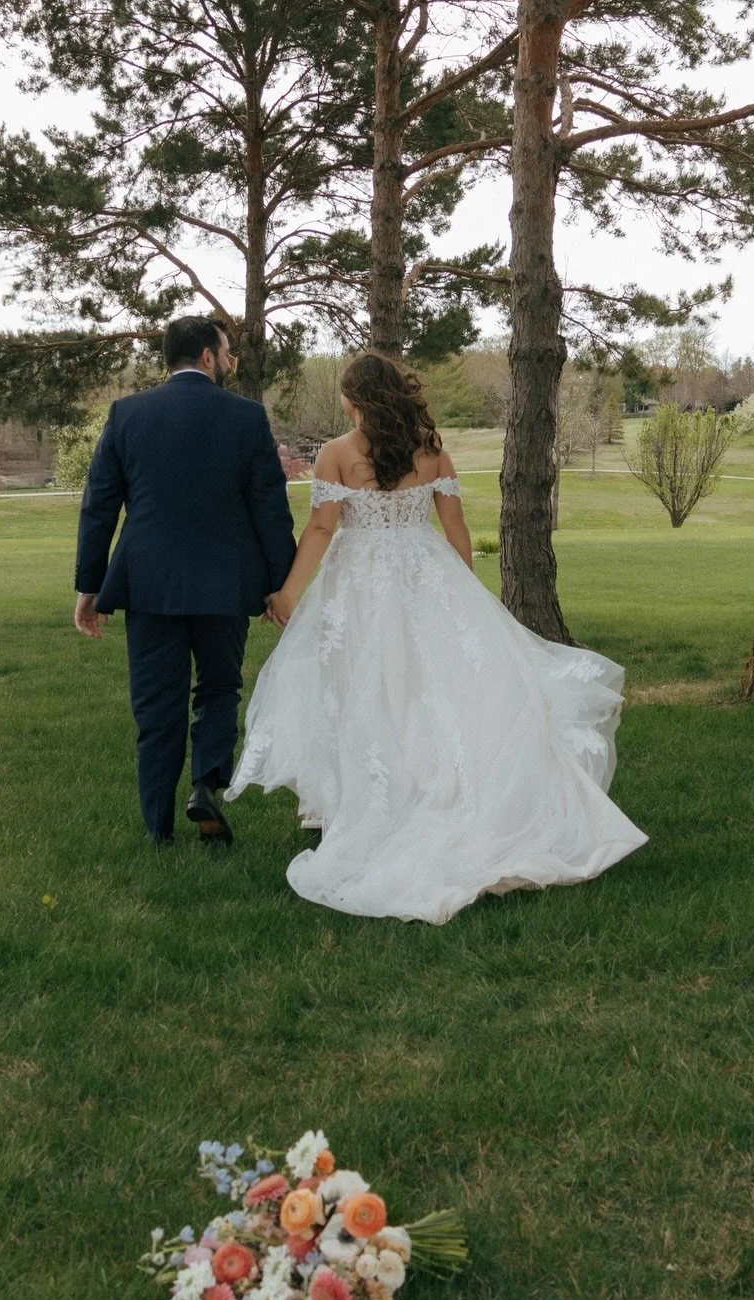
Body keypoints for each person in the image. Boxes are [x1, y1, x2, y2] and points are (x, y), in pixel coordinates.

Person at [226, 352, 647, 923]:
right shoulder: (431, 450)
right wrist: (462, 594)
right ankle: (413, 790)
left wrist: (289, 595)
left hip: (362, 584)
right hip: (426, 574)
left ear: (354, 400)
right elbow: (455, 528)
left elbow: (322, 529)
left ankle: (379, 802)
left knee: (367, 689)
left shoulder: (338, 454)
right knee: (431, 690)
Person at [74, 316, 296, 846]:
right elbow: (270, 507)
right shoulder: (247, 418)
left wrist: (90, 585)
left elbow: (98, 505)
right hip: (225, 583)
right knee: (219, 687)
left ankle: (157, 826)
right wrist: (279, 584)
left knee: (156, 704)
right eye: (227, 351)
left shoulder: (127, 413)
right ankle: (206, 783)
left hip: (148, 582)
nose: (232, 360)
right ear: (206, 356)